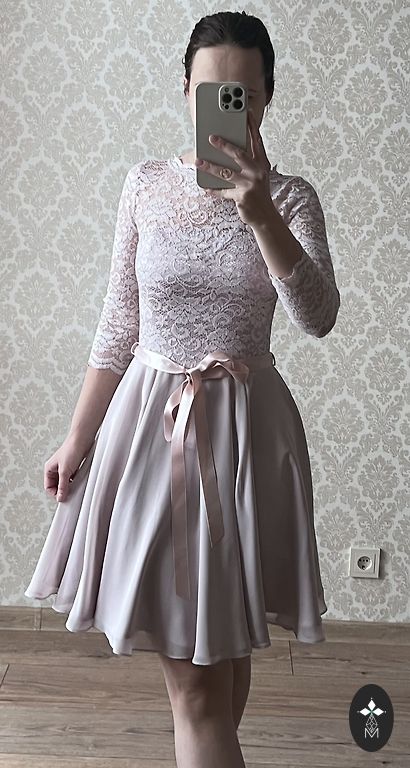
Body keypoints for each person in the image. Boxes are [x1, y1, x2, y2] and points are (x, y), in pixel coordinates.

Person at [24, 10, 340, 768]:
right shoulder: (145, 186)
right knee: (198, 689)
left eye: (244, 95)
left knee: (221, 665)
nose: (228, 108)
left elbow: (319, 316)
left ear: (267, 97)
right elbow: (119, 322)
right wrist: (77, 436)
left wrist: (260, 215)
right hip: (150, 434)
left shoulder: (291, 199)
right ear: (185, 93)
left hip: (248, 443)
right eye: (210, 94)